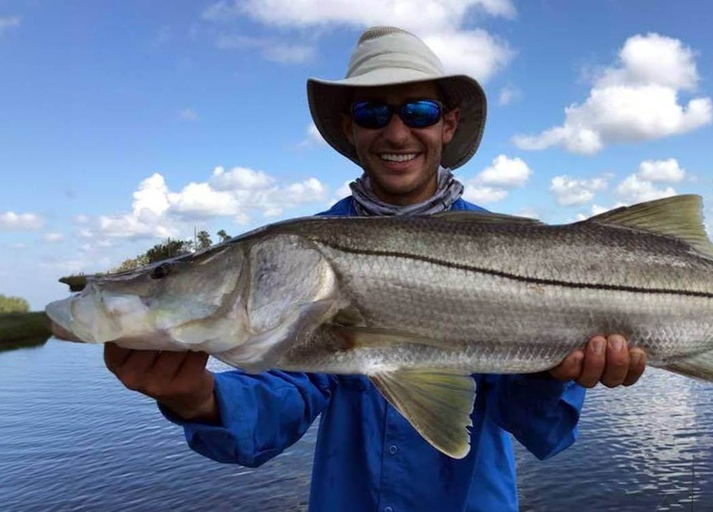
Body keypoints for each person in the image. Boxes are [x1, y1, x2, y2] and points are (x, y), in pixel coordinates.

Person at [103, 26, 647, 512]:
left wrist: (557, 372)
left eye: (418, 112)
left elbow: (535, 422)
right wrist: (197, 397)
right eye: (372, 113)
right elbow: (289, 392)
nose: (396, 132)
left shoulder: (513, 242)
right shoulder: (301, 255)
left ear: (448, 124)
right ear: (351, 127)